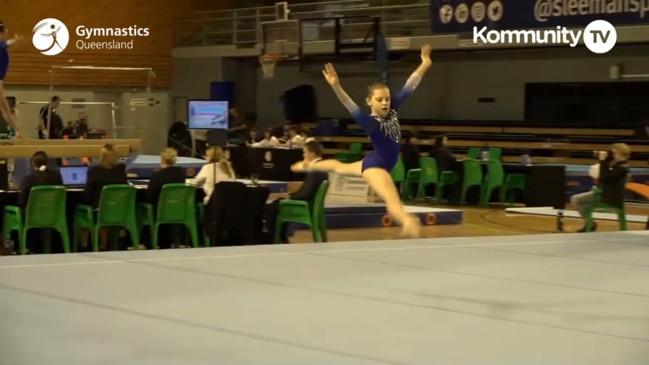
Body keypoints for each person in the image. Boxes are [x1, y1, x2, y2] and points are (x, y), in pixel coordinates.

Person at [294, 44, 433, 238]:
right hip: (376, 167)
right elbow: (348, 104)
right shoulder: (369, 122)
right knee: (392, 202)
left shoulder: (392, 110)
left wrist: (425, 62)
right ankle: (408, 221)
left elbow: (411, 84)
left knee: (339, 167)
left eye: (386, 99)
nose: (385, 102)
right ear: (369, 102)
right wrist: (335, 85)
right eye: (379, 100)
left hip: (374, 160)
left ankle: (309, 165)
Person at [265, 140, 328, 243]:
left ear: (312, 154)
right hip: (309, 203)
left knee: (270, 208)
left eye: (305, 152)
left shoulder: (315, 169)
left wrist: (290, 197)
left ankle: (274, 239)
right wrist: (289, 195)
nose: (303, 155)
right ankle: (282, 237)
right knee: (277, 203)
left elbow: (306, 193)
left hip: (305, 206)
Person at [570, 143, 631, 232]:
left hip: (608, 197)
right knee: (582, 201)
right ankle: (589, 223)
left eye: (614, 153)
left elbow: (603, 178)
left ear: (619, 153)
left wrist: (602, 161)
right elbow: (607, 176)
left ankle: (590, 223)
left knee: (576, 199)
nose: (612, 155)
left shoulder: (621, 168)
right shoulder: (622, 166)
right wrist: (606, 161)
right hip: (609, 194)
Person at [0, 22, 24, 138]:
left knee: (5, 110)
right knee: (4, 108)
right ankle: (18, 132)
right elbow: (8, 43)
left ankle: (18, 132)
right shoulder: (1, 45)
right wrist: (16, 40)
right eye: (5, 32)